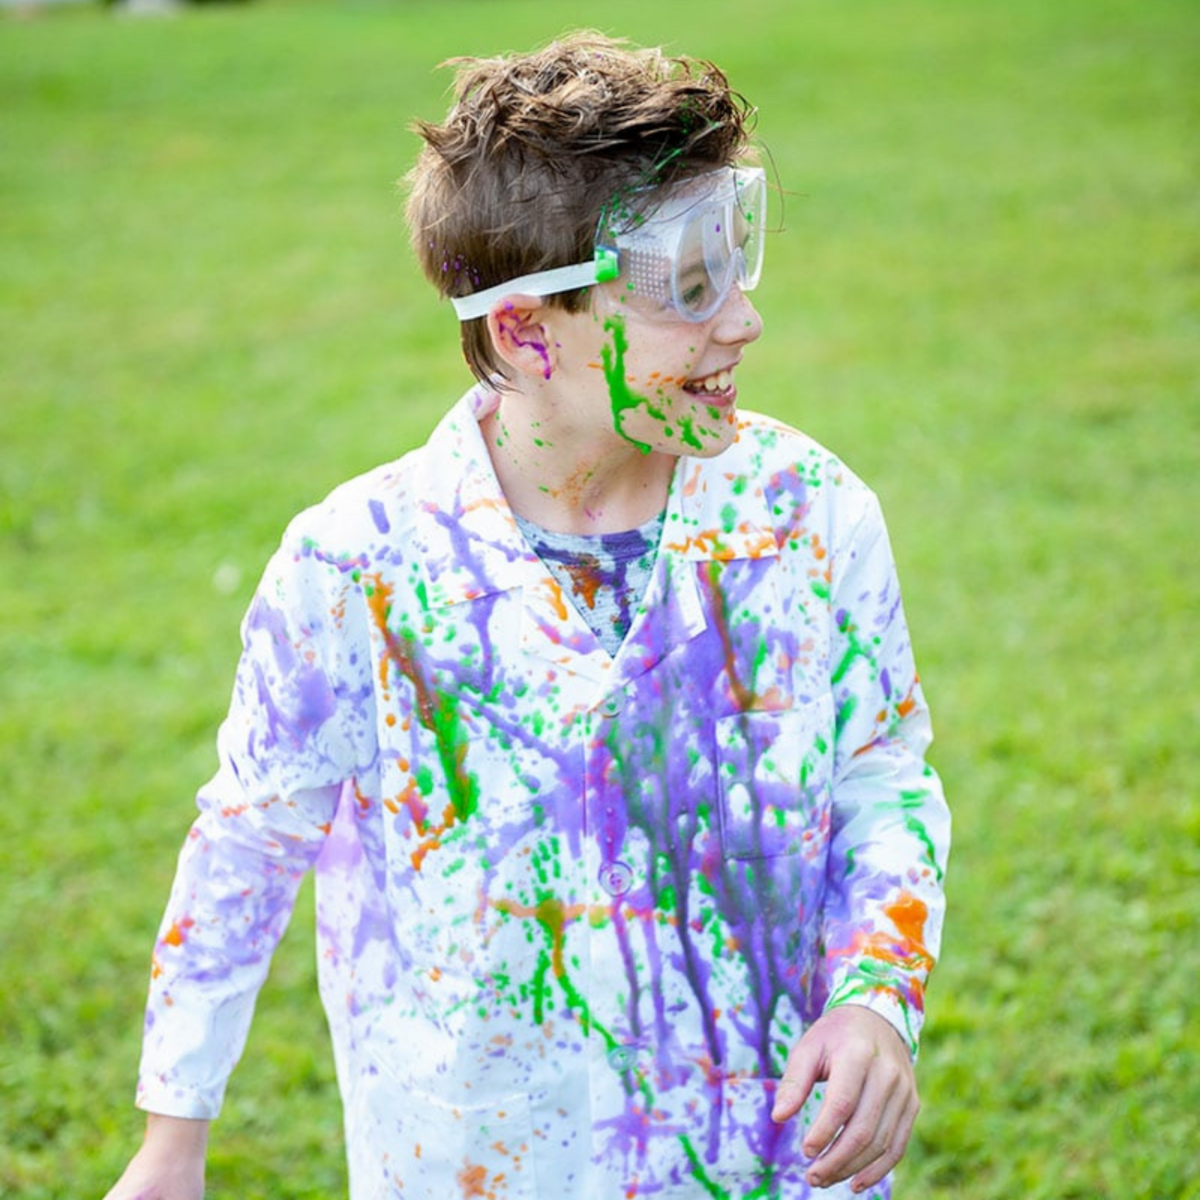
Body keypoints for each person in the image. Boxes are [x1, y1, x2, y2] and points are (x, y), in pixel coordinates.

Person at [104, 31, 949, 1200]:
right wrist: (172, 1143)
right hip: (476, 1161)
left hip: (766, 1158)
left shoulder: (808, 517)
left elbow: (880, 772)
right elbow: (247, 845)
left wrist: (876, 999)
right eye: (687, 282)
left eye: (739, 255)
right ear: (525, 331)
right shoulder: (359, 570)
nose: (744, 320)